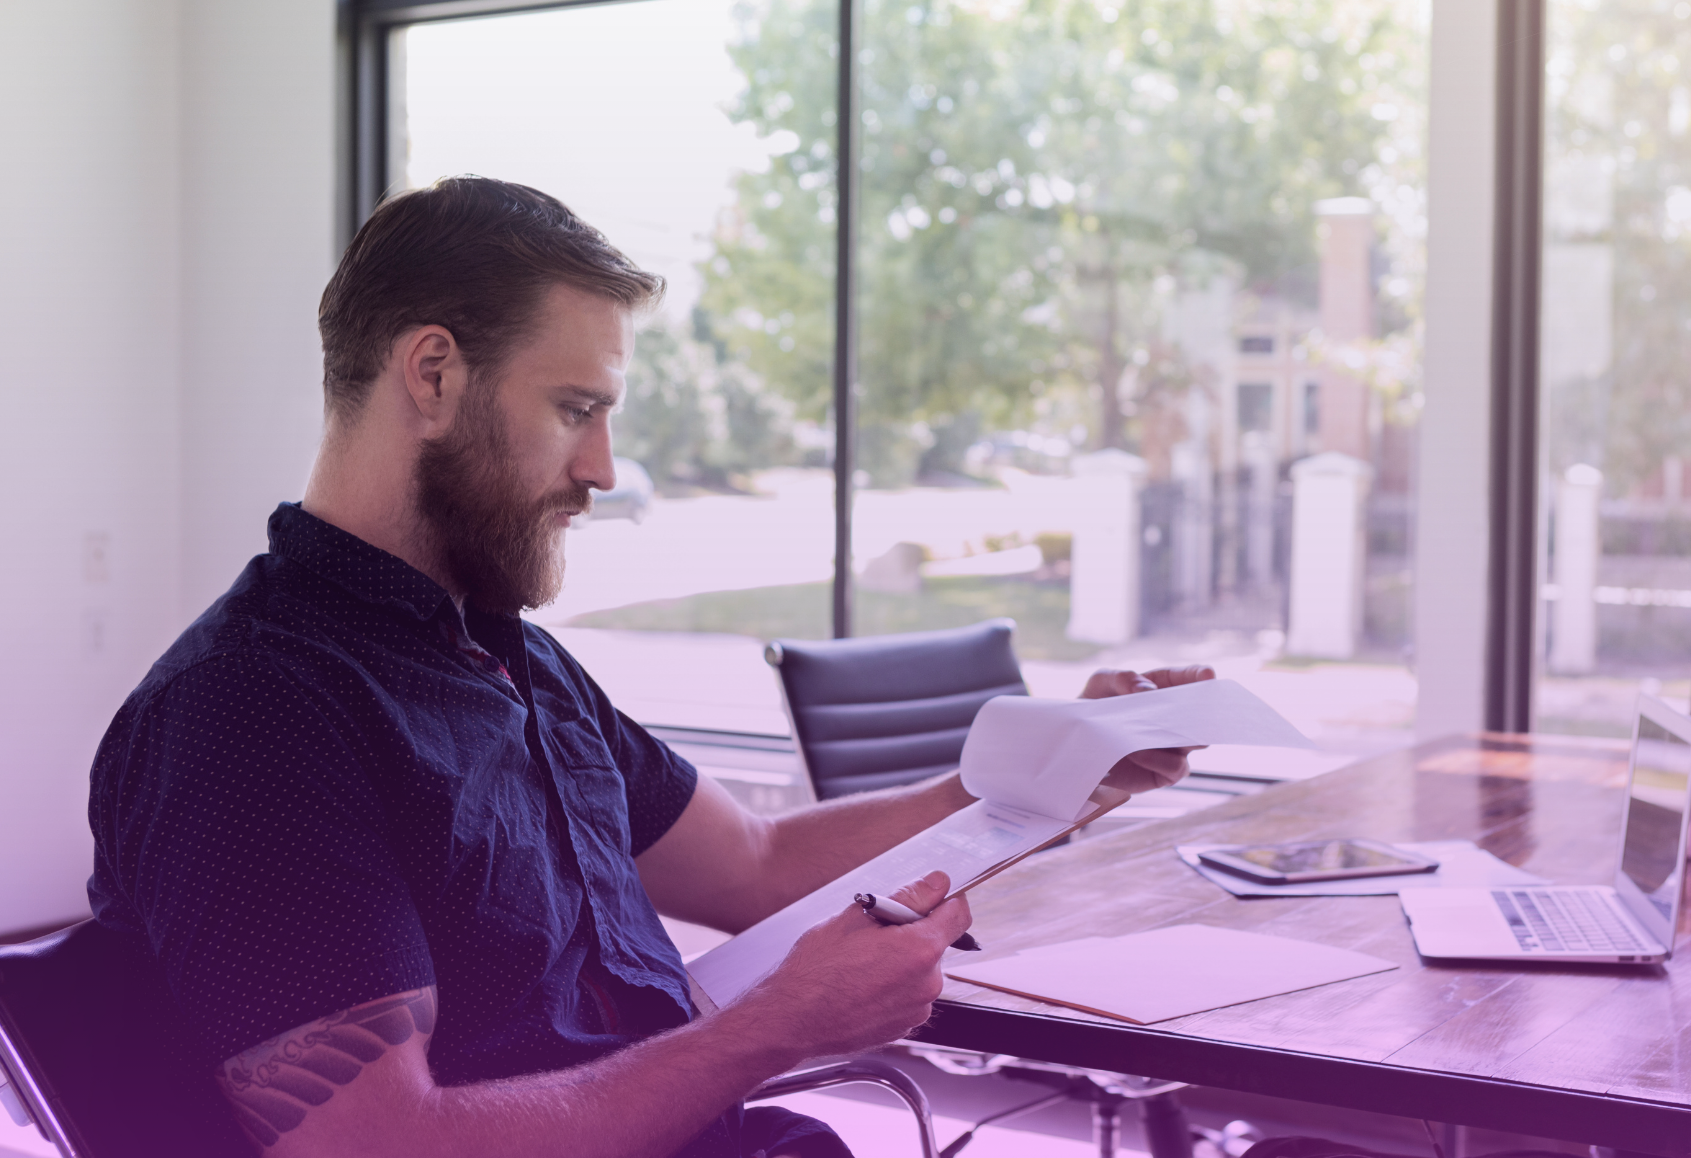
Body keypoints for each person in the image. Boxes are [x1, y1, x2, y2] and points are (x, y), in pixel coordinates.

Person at [87, 177, 1214, 1158]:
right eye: (576, 408)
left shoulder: (510, 660)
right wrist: (774, 1026)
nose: (606, 467)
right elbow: (378, 1142)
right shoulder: (253, 713)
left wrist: (1060, 779)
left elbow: (761, 862)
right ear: (431, 374)